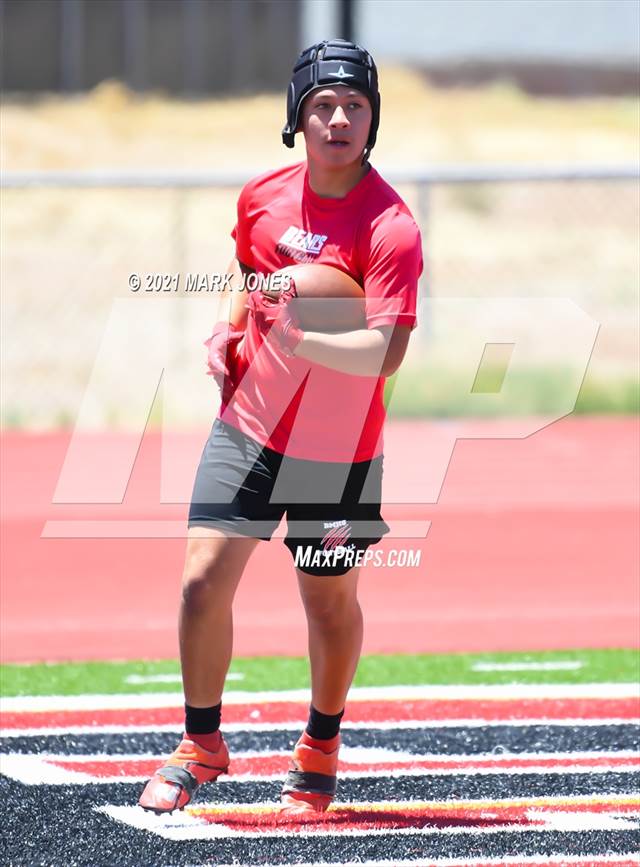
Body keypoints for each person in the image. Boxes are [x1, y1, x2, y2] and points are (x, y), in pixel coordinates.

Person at [138, 38, 423, 816]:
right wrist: (230, 330)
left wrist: (308, 340)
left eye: (356, 106)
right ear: (297, 116)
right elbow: (249, 275)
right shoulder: (262, 194)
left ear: (373, 120)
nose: (339, 119)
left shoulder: (391, 225)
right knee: (202, 581)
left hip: (338, 446)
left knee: (326, 601)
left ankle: (320, 743)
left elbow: (388, 350)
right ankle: (201, 743)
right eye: (324, 105)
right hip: (253, 422)